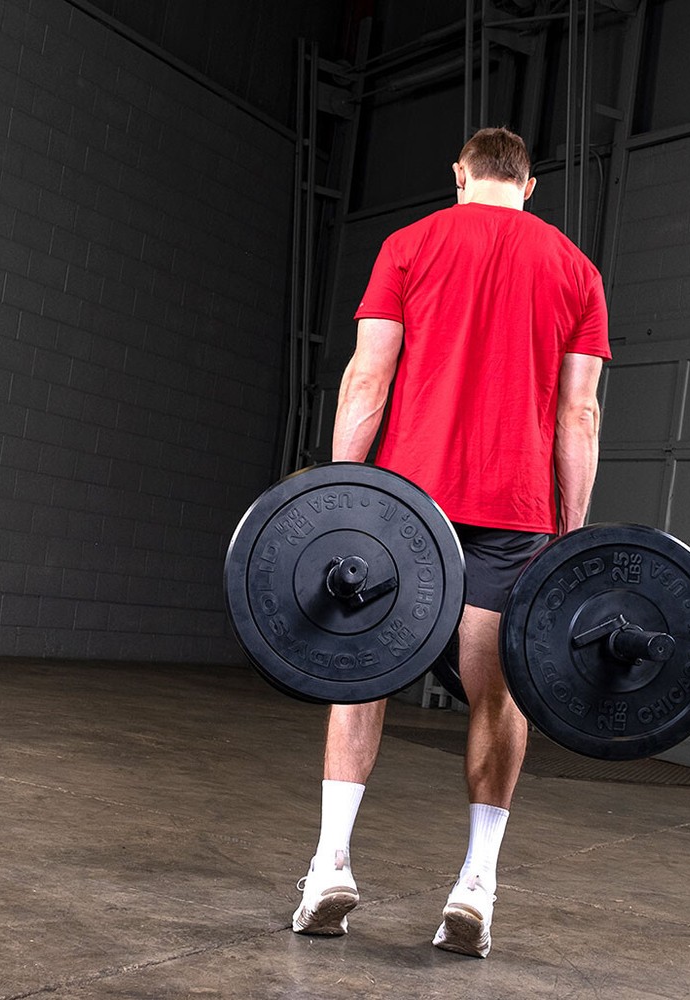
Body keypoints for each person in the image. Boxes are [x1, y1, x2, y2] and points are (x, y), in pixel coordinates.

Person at [291, 126, 610, 958]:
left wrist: (337, 495)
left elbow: (367, 376)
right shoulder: (576, 270)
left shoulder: (409, 244)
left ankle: (329, 868)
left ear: (461, 176)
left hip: (405, 512)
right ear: (529, 186)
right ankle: (475, 888)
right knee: (497, 696)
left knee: (362, 674)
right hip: (516, 509)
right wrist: (569, 528)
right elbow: (579, 412)